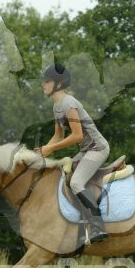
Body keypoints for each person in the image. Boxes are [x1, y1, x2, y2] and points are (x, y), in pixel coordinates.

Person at [36, 63, 109, 243]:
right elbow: (58, 135)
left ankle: (98, 226)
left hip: (97, 149)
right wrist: (40, 153)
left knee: (76, 182)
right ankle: (79, 224)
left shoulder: (68, 103)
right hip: (86, 150)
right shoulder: (57, 106)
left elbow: (77, 135)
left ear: (58, 84)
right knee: (63, 177)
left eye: (47, 81)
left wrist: (51, 149)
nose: (43, 84)